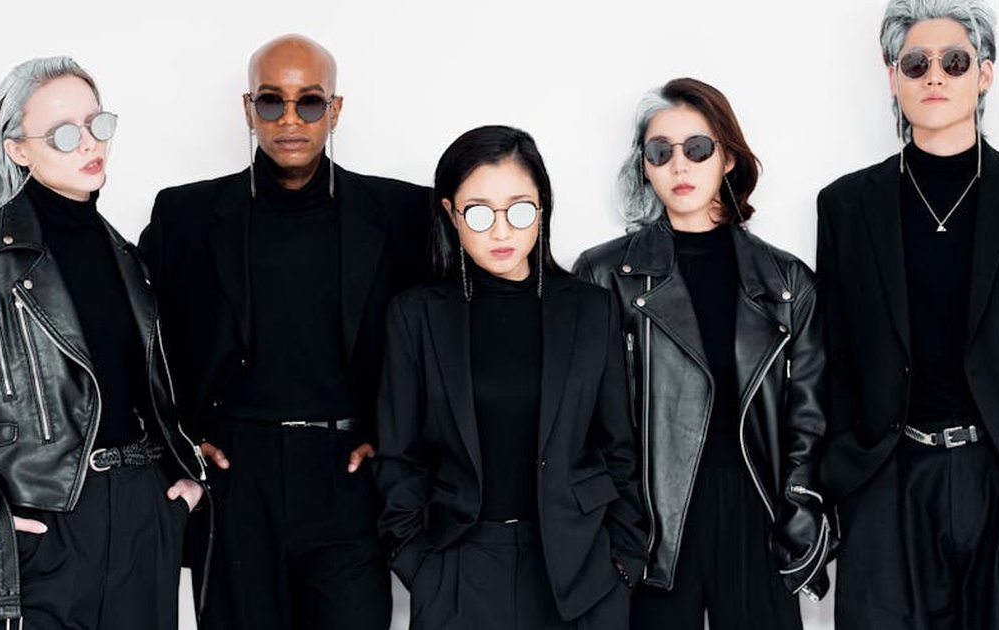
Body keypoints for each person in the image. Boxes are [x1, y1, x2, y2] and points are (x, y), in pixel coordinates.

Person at [817, 2, 999, 628]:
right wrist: (845, 470)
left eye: (955, 61)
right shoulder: (844, 206)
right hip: (890, 482)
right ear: (893, 77)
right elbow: (833, 356)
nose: (935, 76)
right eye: (916, 63)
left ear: (985, 75)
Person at [138, 34, 431, 630]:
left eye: (310, 102)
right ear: (248, 109)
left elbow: (444, 343)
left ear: (336, 109)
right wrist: (176, 445)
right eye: (272, 102)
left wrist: (397, 441)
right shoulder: (185, 218)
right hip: (234, 480)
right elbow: (132, 343)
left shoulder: (403, 215)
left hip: (349, 477)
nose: (290, 119)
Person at [0, 56, 206, 630]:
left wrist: (178, 490)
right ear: (18, 148)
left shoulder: (127, 257)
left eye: (99, 124)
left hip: (144, 514)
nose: (89, 143)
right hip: (45, 523)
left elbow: (148, 391)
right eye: (64, 133)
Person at [574, 78, 833, 630]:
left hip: (755, 508)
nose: (679, 166)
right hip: (651, 517)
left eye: (697, 148)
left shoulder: (787, 282)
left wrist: (800, 509)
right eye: (660, 152)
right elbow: (587, 416)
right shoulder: (604, 277)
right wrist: (615, 520)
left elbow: (807, 417)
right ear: (644, 166)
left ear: (729, 159)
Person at [374, 125, 647, 629]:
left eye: (519, 209)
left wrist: (623, 557)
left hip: (579, 566)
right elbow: (399, 454)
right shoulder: (416, 316)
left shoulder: (591, 310)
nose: (501, 231)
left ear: (542, 207)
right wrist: (417, 562)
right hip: (458, 565)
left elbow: (619, 447)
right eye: (478, 212)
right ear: (450, 215)